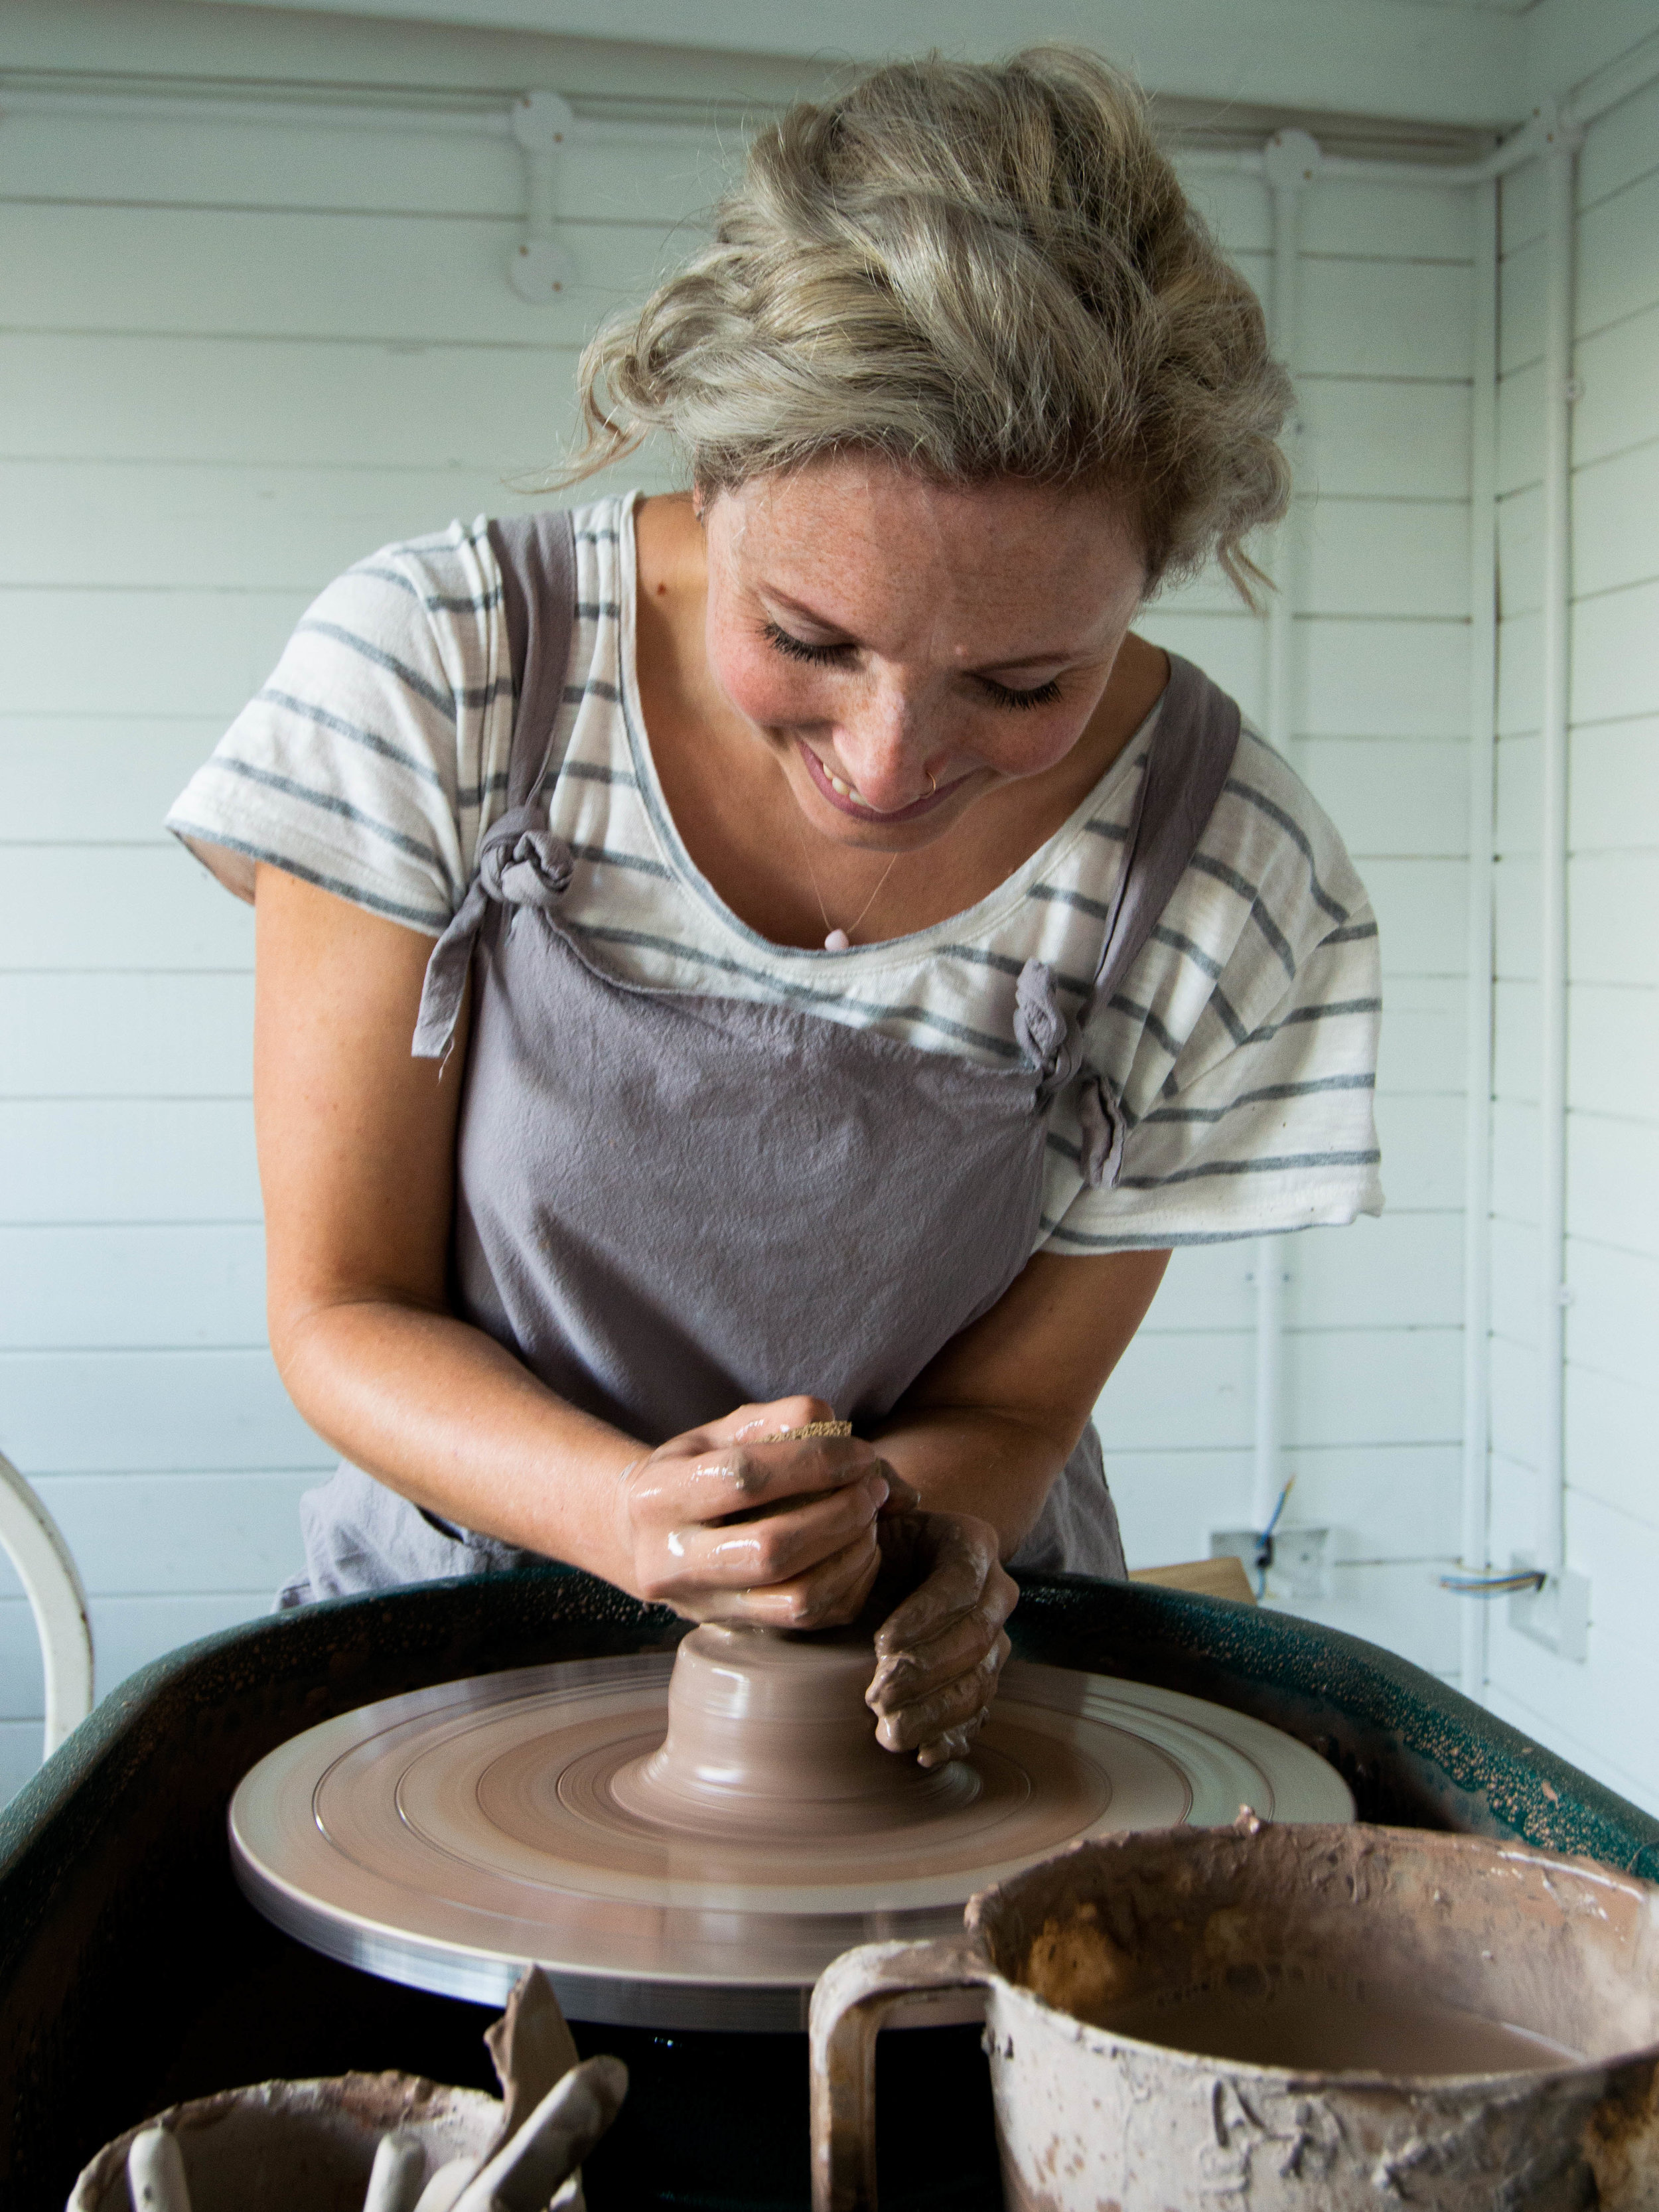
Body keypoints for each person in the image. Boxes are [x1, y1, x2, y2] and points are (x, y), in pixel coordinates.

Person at [167, 49, 1382, 1769]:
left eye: (1023, 681)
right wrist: (638, 1519)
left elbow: (1020, 1406)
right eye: (809, 640)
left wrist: (885, 1533)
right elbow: (344, 1309)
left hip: (927, 1679)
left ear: (1158, 574)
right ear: (702, 470)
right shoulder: (443, 668)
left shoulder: (1228, 865)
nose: (888, 767)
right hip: (454, 1634)